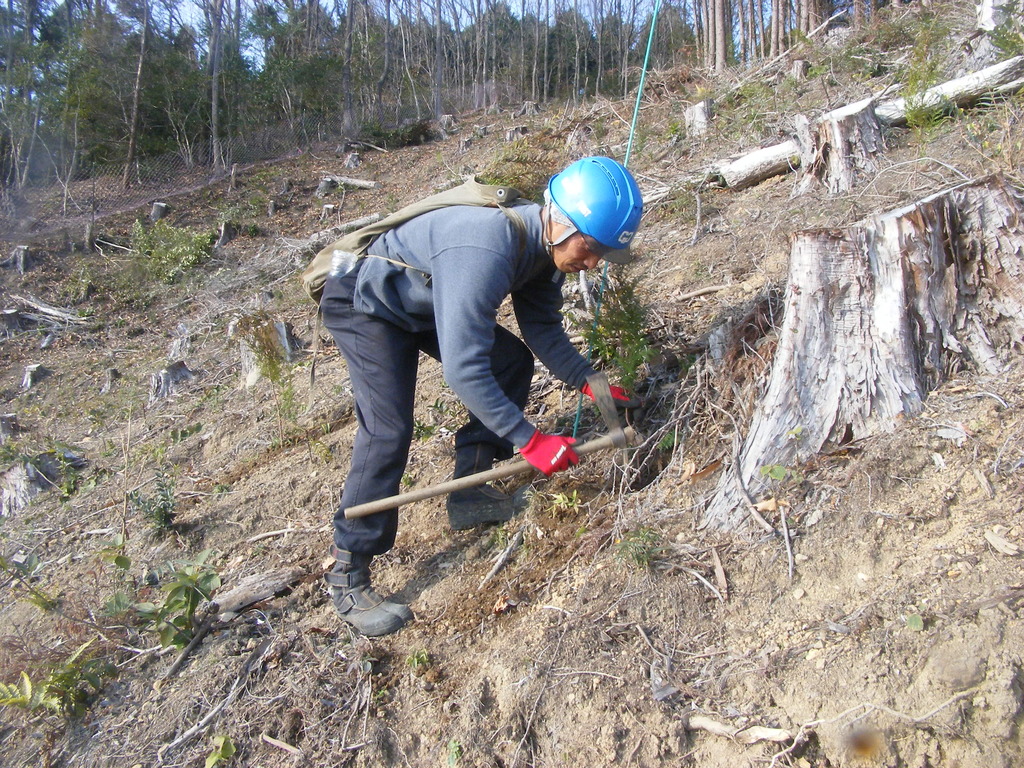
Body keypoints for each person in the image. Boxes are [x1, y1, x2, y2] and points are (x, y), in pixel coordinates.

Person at [319, 156, 644, 636]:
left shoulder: (545, 251)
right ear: (560, 221)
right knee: (389, 428)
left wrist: (591, 384)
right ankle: (348, 570)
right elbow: (463, 369)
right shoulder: (486, 247)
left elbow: (543, 329)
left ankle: (470, 491)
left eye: (603, 255)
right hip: (364, 302)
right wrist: (530, 441)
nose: (593, 263)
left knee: (509, 361)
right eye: (591, 247)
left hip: (423, 297)